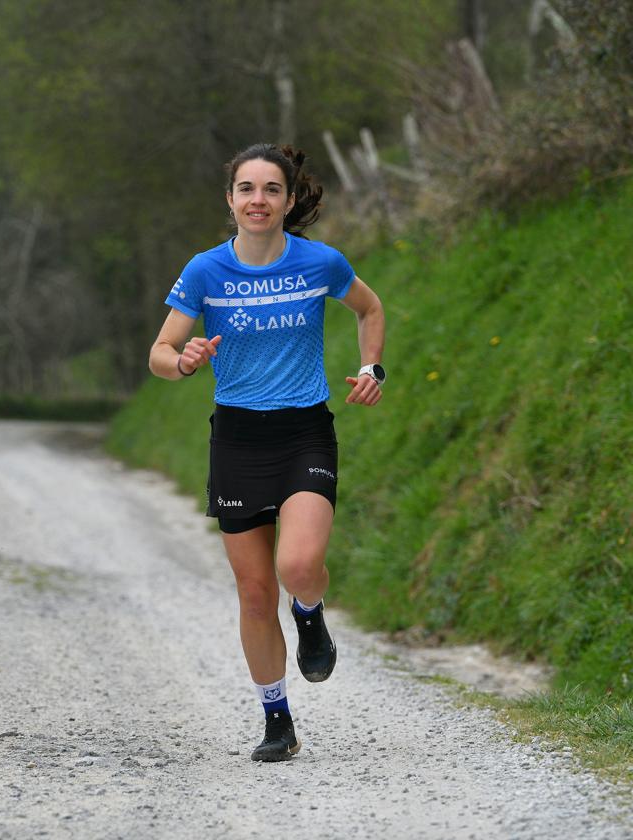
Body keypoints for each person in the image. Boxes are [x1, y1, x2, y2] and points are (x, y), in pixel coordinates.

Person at [148, 144, 385, 761]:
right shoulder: (205, 271)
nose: (258, 200)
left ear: (287, 201)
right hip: (238, 439)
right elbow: (161, 354)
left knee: (298, 567)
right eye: (246, 189)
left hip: (305, 430)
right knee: (254, 594)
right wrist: (185, 358)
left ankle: (309, 611)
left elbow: (370, 307)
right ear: (230, 201)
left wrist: (373, 368)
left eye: (271, 189)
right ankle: (276, 718)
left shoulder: (321, 262)